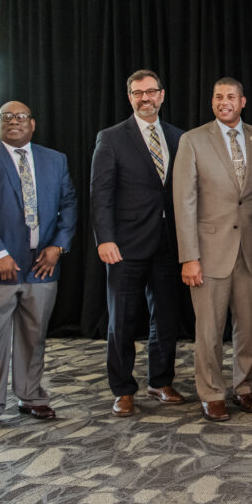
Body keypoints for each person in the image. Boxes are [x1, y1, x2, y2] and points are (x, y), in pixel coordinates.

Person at [0, 101, 77, 432]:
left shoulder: (55, 160)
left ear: (33, 124)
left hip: (41, 266)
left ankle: (31, 396)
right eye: (5, 117)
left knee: (34, 334)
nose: (13, 121)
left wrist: (57, 247)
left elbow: (69, 205)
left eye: (20, 116)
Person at [173, 77, 252, 422]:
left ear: (242, 101)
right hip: (209, 251)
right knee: (209, 330)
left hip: (251, 250)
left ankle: (245, 388)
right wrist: (189, 256)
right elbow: (183, 202)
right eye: (218, 96)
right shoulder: (193, 140)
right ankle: (212, 393)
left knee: (248, 327)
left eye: (230, 96)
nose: (224, 102)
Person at [90, 69, 187, 417]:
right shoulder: (112, 138)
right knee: (122, 320)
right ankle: (123, 388)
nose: (145, 98)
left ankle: (160, 381)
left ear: (162, 95)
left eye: (150, 92)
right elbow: (100, 193)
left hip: (168, 244)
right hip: (125, 246)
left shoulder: (179, 138)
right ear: (130, 98)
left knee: (166, 318)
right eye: (137, 93)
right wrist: (105, 239)